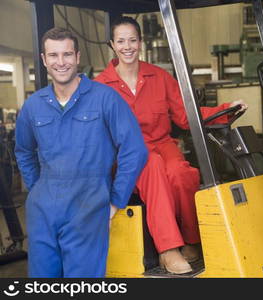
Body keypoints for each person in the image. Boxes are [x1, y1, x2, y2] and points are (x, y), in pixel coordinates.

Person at [95, 16, 247, 274]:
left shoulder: (159, 77)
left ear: (140, 42)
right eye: (121, 41)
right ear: (112, 44)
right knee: (152, 164)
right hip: (126, 155)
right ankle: (168, 249)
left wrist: (224, 110)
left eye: (132, 39)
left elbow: (186, 116)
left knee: (182, 173)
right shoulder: (99, 86)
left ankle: (191, 241)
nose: (127, 46)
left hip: (162, 144)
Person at [15, 27, 148, 278]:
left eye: (67, 54)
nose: (60, 62)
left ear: (77, 57)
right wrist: (38, 189)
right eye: (53, 56)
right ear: (44, 60)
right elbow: (23, 151)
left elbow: (135, 150)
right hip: (43, 210)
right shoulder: (33, 106)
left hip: (88, 206)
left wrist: (115, 202)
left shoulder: (105, 98)